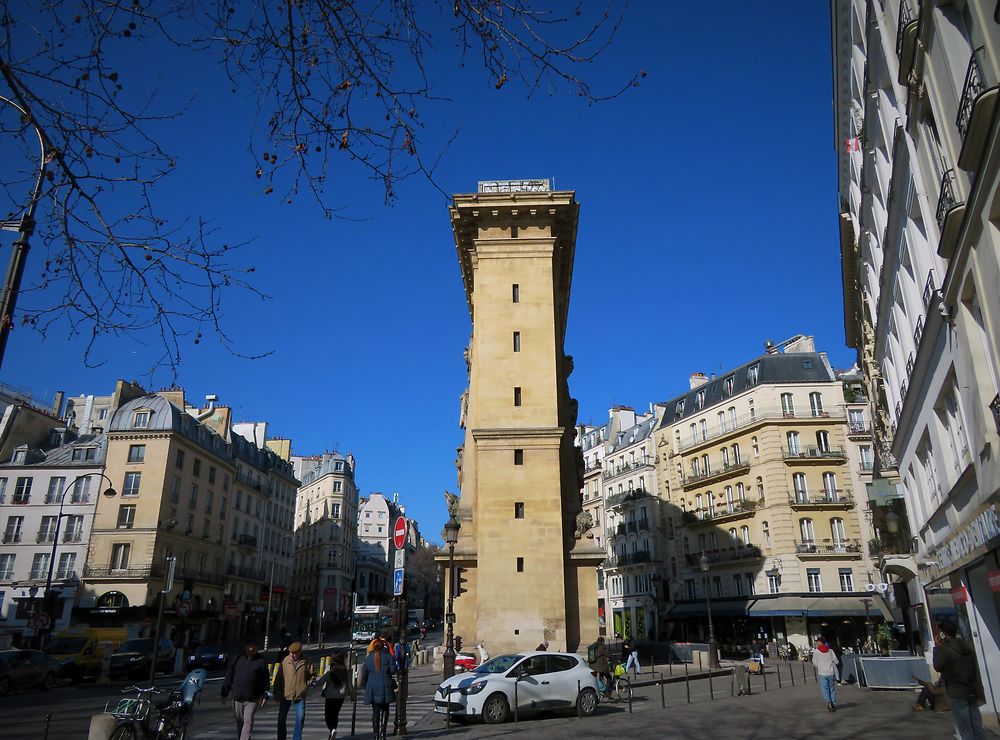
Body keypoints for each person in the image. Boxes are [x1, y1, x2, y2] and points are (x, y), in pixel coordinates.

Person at [933, 621, 988, 739]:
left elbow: (937, 666)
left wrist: (937, 649)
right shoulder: (967, 647)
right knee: (977, 727)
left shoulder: (945, 650)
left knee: (965, 730)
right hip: (972, 690)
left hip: (957, 693)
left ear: (943, 634)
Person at [221, 637, 270, 740]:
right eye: (249, 646)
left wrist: (265, 695)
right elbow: (229, 675)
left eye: (253, 647)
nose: (251, 649)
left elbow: (266, 680)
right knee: (240, 723)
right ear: (245, 647)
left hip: (252, 698)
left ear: (257, 648)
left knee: (248, 722)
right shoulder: (238, 658)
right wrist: (224, 693)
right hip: (237, 697)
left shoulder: (261, 661)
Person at [274, 641, 316, 740]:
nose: (292, 655)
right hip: (286, 693)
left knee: (300, 718)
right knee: (281, 719)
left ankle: (296, 738)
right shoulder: (285, 661)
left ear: (300, 652)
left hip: (300, 694)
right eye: (291, 653)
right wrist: (277, 693)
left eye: (295, 653)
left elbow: (313, 674)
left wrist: (307, 683)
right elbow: (279, 678)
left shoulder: (306, 661)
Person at [313, 651, 355, 740]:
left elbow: (322, 681)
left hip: (330, 695)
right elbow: (349, 684)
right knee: (335, 714)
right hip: (340, 696)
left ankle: (332, 729)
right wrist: (352, 696)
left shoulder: (330, 669)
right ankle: (333, 731)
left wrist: (313, 684)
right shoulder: (345, 671)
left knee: (328, 715)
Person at [362, 638, 396, 740]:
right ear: (383, 646)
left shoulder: (368, 658)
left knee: (375, 711)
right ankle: (383, 732)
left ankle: (376, 734)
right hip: (386, 685)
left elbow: (364, 674)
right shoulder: (388, 656)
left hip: (372, 686)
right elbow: (393, 670)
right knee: (385, 710)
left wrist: (366, 685)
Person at [813, 636, 840, 712]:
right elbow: (836, 661)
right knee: (832, 688)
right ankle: (833, 702)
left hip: (822, 672)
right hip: (830, 672)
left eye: (817, 642)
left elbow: (814, 662)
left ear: (819, 642)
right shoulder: (830, 651)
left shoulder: (816, 651)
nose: (816, 643)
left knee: (824, 688)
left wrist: (819, 665)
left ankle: (828, 701)